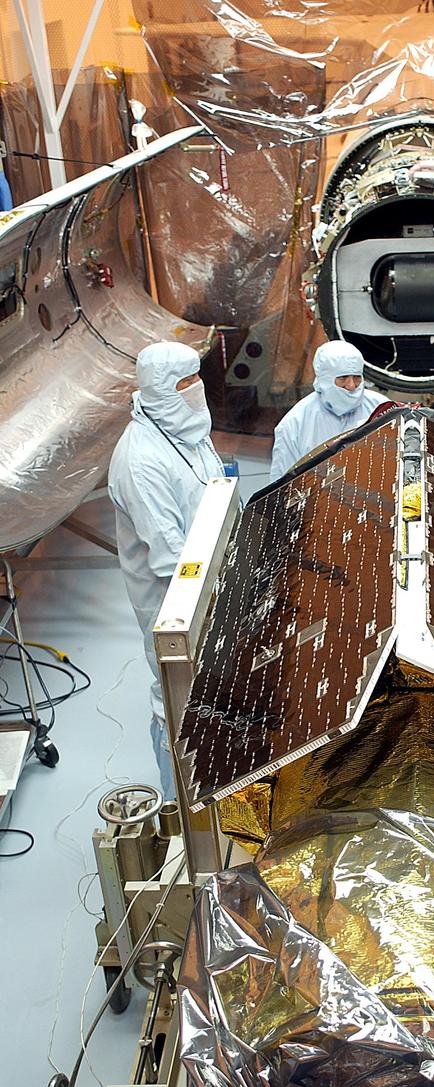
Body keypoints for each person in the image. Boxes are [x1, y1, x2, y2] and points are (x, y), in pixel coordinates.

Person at [109, 341, 225, 800]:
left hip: (214, 585)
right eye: (184, 382)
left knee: (214, 700)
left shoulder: (187, 425)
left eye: (197, 377)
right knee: (177, 706)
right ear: (160, 390)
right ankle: (178, 807)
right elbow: (174, 562)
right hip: (178, 607)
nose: (196, 388)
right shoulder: (140, 462)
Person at [270, 340, 387, 481]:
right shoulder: (294, 425)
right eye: (343, 378)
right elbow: (281, 484)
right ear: (324, 380)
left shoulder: (381, 408)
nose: (351, 385)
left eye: (357, 377)